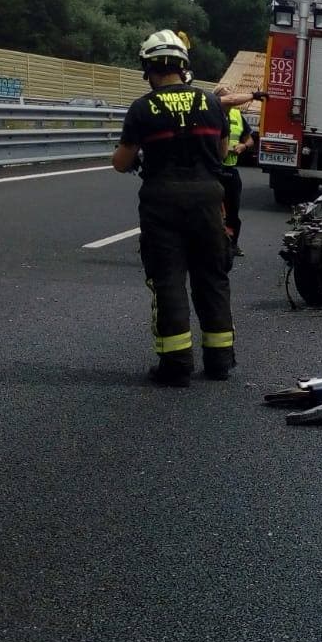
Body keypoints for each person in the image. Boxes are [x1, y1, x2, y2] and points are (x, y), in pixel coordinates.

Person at [111, 31, 236, 387]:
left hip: (162, 202)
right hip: (208, 200)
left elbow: (122, 162)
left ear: (148, 68)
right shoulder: (212, 104)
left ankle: (176, 363)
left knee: (168, 280)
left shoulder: (142, 108)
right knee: (212, 278)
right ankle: (219, 361)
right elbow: (223, 150)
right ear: (184, 67)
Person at [212, 85, 263, 257]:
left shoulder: (236, 115)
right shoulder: (210, 113)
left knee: (233, 210)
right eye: (228, 97)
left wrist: (243, 146)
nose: (232, 99)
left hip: (230, 169)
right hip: (211, 169)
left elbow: (249, 140)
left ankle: (232, 244)